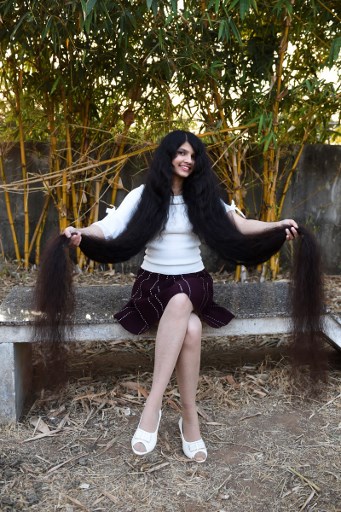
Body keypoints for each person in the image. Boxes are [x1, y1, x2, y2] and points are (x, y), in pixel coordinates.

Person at [62, 130, 299, 463]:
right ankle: (190, 417)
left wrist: (277, 225)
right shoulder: (144, 196)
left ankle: (153, 406)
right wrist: (81, 233)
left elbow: (241, 226)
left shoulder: (202, 196)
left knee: (182, 299)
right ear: (168, 156)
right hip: (152, 286)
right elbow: (109, 226)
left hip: (193, 282)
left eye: (193, 155)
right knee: (191, 327)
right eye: (181, 153)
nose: (188, 160)